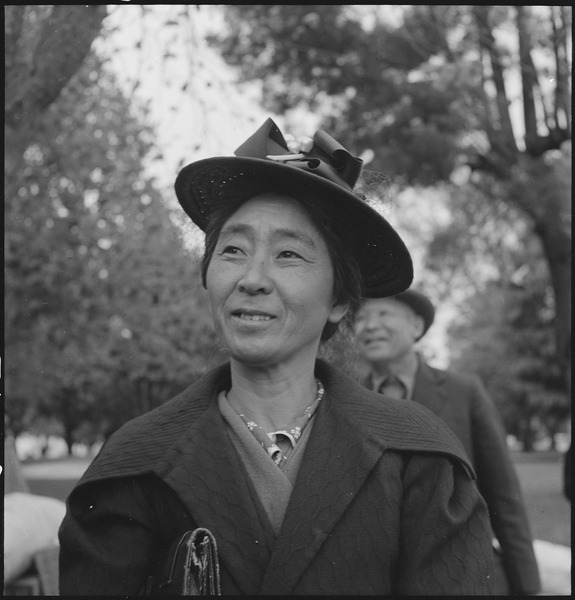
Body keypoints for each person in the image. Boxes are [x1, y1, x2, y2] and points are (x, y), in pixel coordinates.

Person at [59, 118, 495, 595]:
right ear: (208, 278)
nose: (253, 277)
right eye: (233, 250)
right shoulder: (134, 462)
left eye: (288, 255)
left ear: (340, 300)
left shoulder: (420, 460)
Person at [353, 288, 542, 595]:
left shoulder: (464, 392)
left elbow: (504, 495)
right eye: (360, 318)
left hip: (457, 575)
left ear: (416, 326)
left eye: (383, 314)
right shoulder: (346, 399)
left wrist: (527, 586)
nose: (370, 325)